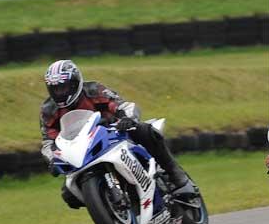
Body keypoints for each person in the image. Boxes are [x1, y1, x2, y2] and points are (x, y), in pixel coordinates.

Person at [40, 59, 194, 208]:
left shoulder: (94, 89)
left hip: (115, 133)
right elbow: (48, 141)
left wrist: (128, 118)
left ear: (75, 83)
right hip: (82, 150)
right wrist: (52, 159)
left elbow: (123, 105)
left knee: (145, 130)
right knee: (69, 195)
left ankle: (175, 174)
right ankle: (106, 203)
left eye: (64, 87)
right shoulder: (48, 110)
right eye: (55, 89)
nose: (60, 93)